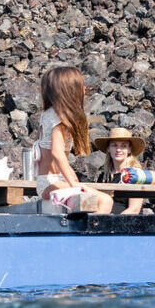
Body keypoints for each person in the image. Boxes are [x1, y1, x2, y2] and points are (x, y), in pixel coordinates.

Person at [35, 65, 110, 212]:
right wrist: (74, 183)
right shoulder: (58, 118)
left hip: (48, 181)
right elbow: (57, 153)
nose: (85, 90)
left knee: (97, 200)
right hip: (51, 182)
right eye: (81, 86)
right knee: (105, 201)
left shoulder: (49, 114)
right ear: (70, 91)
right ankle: (90, 234)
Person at [93, 127, 147, 215]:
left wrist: (113, 223)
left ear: (129, 149)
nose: (118, 150)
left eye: (123, 146)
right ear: (108, 149)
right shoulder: (103, 177)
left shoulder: (134, 175)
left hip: (127, 224)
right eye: (114, 145)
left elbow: (134, 209)